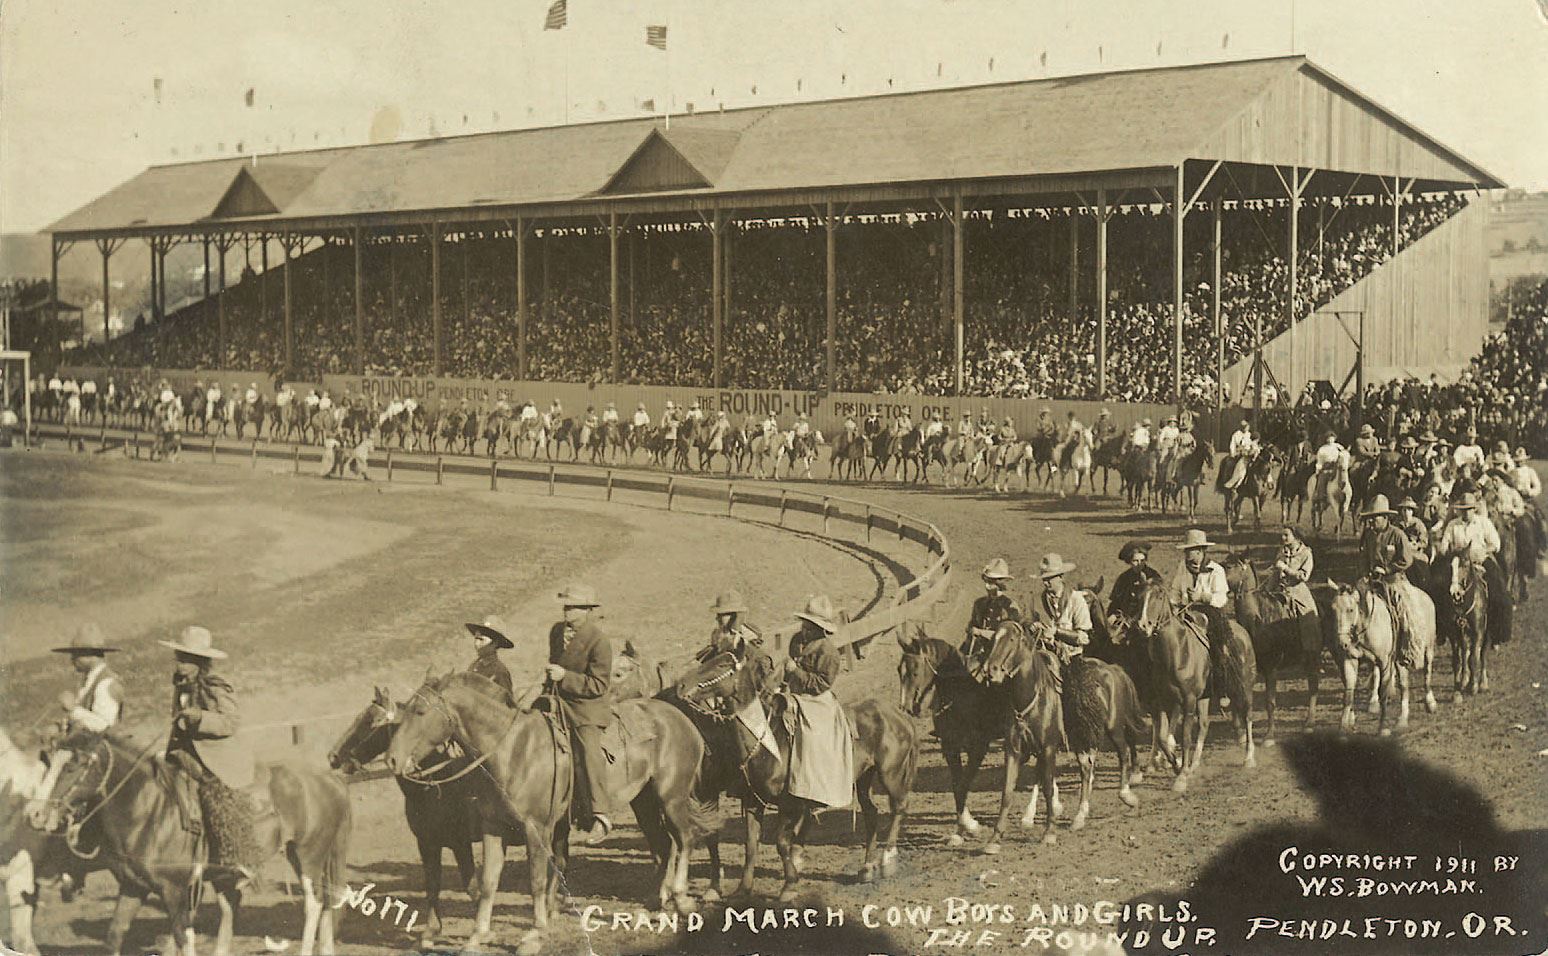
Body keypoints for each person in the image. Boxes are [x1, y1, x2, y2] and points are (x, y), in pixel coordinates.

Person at [160, 626, 259, 882]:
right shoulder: (180, 684)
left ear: (201, 663)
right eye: (180, 658)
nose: (181, 664)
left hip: (216, 757)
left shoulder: (215, 686)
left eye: (188, 660)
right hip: (184, 752)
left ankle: (236, 857)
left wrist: (200, 718)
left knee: (217, 795)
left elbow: (230, 722)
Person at [544, 584, 614, 844]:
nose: (566, 611)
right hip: (557, 701)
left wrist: (565, 678)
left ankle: (600, 815)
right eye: (565, 606)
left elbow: (598, 685)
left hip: (587, 708)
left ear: (586, 610)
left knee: (588, 751)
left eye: (571, 607)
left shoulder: (599, 640)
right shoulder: (556, 632)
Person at [783, 595, 854, 810]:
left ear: (820, 628)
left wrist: (797, 671)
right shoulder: (796, 640)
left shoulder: (829, 652)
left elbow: (821, 684)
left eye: (810, 626)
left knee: (814, 738)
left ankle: (815, 791)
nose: (805, 629)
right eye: (805, 624)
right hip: (793, 694)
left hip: (816, 700)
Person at [1166, 529, 1232, 661]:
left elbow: (1221, 599)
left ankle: (1219, 663)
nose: (1186, 554)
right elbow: (1175, 589)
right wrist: (1173, 604)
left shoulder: (1216, 570)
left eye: (1188, 550)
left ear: (1200, 550)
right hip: (1185, 610)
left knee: (1218, 647)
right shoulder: (1183, 567)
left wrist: (1202, 597)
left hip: (1210, 613)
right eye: (1186, 550)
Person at [52, 623, 124, 734]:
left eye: (76, 655)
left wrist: (72, 709)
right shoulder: (90, 681)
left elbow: (103, 726)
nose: (72, 660)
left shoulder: (105, 684)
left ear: (89, 655)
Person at [962, 558, 1023, 681]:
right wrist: (970, 631)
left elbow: (1007, 638)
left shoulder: (1010, 607)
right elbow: (972, 625)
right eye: (986, 581)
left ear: (1000, 583)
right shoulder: (979, 603)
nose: (986, 586)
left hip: (999, 655)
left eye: (991, 582)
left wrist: (980, 632)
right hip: (978, 651)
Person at [1033, 554, 1091, 678]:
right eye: (1044, 579)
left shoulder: (1076, 600)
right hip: (1045, 658)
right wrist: (1034, 626)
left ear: (1060, 577)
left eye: (1050, 579)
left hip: (1071, 659)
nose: (1046, 583)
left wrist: (1056, 632)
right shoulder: (1038, 600)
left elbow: (1083, 638)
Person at [1270, 527, 1320, 664]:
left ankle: (1312, 654)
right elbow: (1275, 574)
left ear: (1296, 537)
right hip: (1280, 590)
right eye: (1282, 535)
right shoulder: (1281, 551)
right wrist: (1267, 589)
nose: (1283, 538)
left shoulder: (1306, 553)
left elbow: (1304, 576)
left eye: (1286, 535)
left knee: (1309, 619)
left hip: (1298, 591)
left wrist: (1285, 569)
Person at [699, 590, 763, 662]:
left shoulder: (749, 636)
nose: (717, 618)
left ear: (734, 616)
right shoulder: (716, 634)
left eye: (722, 615)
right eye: (718, 615)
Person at [1109, 540, 1162, 617]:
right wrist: (1113, 615)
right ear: (1129, 561)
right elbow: (1115, 601)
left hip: (1148, 616)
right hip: (1126, 617)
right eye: (1135, 561)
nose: (1139, 564)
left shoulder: (1153, 575)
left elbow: (1160, 600)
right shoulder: (1123, 578)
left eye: (1142, 560)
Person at [464, 616, 515, 695]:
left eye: (481, 640)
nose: (476, 644)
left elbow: (507, 703)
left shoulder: (499, 671)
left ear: (495, 643)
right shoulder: (475, 665)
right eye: (476, 639)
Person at [1224, 420, 1257, 490]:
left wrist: (1253, 450)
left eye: (1246, 426)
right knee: (1240, 468)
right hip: (1239, 454)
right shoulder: (1236, 434)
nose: (1245, 428)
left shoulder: (1249, 435)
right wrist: (1234, 453)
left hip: (1249, 454)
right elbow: (1232, 446)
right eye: (1244, 427)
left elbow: (1253, 444)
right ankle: (1235, 484)